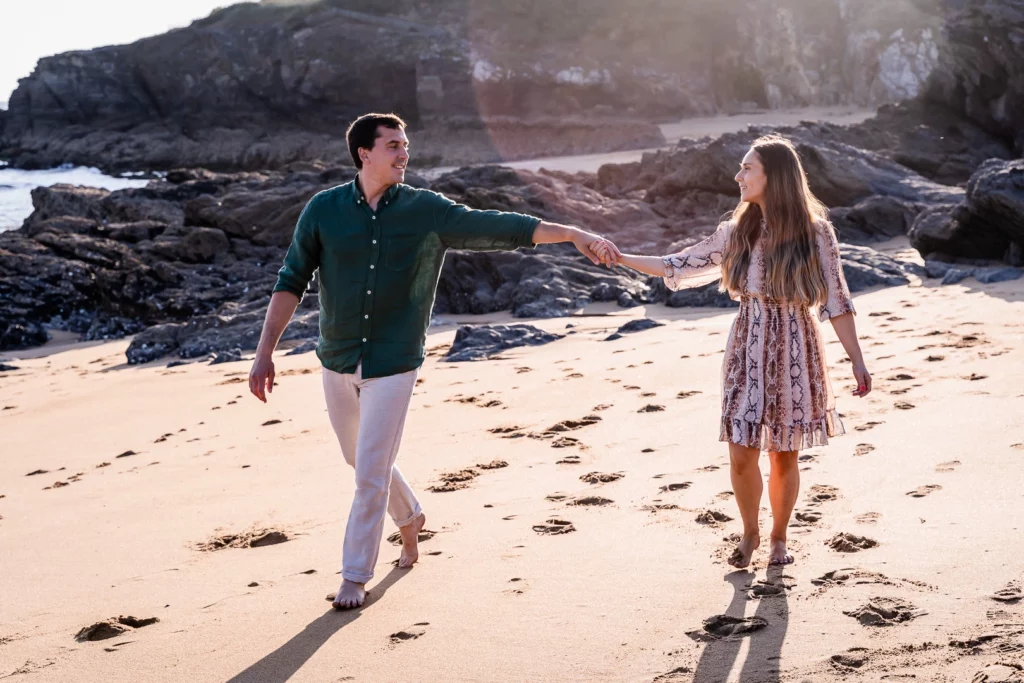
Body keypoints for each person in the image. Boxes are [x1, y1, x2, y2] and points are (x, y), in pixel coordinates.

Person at [248, 112, 620, 609]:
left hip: (394, 361)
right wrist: (264, 352)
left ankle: (355, 576)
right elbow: (291, 279)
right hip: (336, 356)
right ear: (364, 152)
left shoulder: (425, 210)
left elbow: (498, 228)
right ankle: (411, 517)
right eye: (393, 145)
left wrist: (571, 232)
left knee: (370, 473)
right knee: (359, 458)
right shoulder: (324, 210)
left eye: (406, 144)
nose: (404, 153)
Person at [591, 134, 871, 568]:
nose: (738, 176)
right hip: (747, 347)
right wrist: (619, 257)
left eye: (747, 168)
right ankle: (751, 532)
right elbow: (675, 264)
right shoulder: (735, 232)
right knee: (741, 452)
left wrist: (857, 359)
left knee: (784, 454)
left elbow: (837, 299)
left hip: (795, 348)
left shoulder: (816, 233)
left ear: (774, 177)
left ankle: (779, 537)